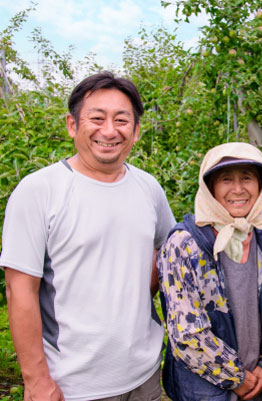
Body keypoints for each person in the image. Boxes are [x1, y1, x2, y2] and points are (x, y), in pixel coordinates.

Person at [0, 71, 176, 400]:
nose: (109, 131)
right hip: (72, 384)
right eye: (97, 118)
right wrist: (36, 380)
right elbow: (19, 289)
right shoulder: (40, 191)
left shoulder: (148, 188)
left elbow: (164, 253)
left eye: (122, 120)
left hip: (145, 375)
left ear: (136, 131)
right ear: (72, 125)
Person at [157, 142, 262, 401]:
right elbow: (186, 334)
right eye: (226, 179)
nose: (238, 189)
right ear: (210, 188)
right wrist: (238, 378)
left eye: (247, 177)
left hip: (261, 382)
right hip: (207, 390)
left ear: (261, 184)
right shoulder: (184, 244)